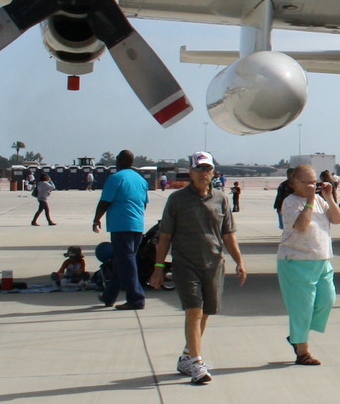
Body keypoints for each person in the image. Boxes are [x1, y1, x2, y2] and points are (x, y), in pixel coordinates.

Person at [147, 152, 247, 385]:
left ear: (213, 172)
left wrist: (239, 261)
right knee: (193, 311)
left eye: (208, 169)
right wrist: (159, 267)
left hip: (213, 263)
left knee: (206, 312)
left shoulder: (221, 199)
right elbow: (165, 235)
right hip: (186, 263)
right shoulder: (177, 199)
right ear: (190, 172)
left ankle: (187, 356)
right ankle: (197, 363)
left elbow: (228, 234)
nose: (204, 173)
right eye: (200, 169)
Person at [278, 164, 340, 365]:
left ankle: (298, 336)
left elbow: (337, 219)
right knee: (302, 308)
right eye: (307, 182)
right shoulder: (290, 202)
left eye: (314, 182)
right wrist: (310, 199)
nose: (312, 186)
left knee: (326, 300)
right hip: (298, 260)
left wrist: (329, 197)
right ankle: (302, 350)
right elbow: (302, 226)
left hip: (322, 259)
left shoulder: (321, 201)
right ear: (294, 183)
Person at [92, 149, 150, 312]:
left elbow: (105, 201)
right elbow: (144, 203)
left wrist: (97, 219)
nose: (116, 162)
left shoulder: (115, 178)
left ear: (122, 160)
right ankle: (109, 296)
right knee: (121, 262)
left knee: (127, 262)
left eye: (117, 159)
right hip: (137, 226)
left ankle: (136, 299)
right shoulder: (140, 180)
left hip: (121, 225)